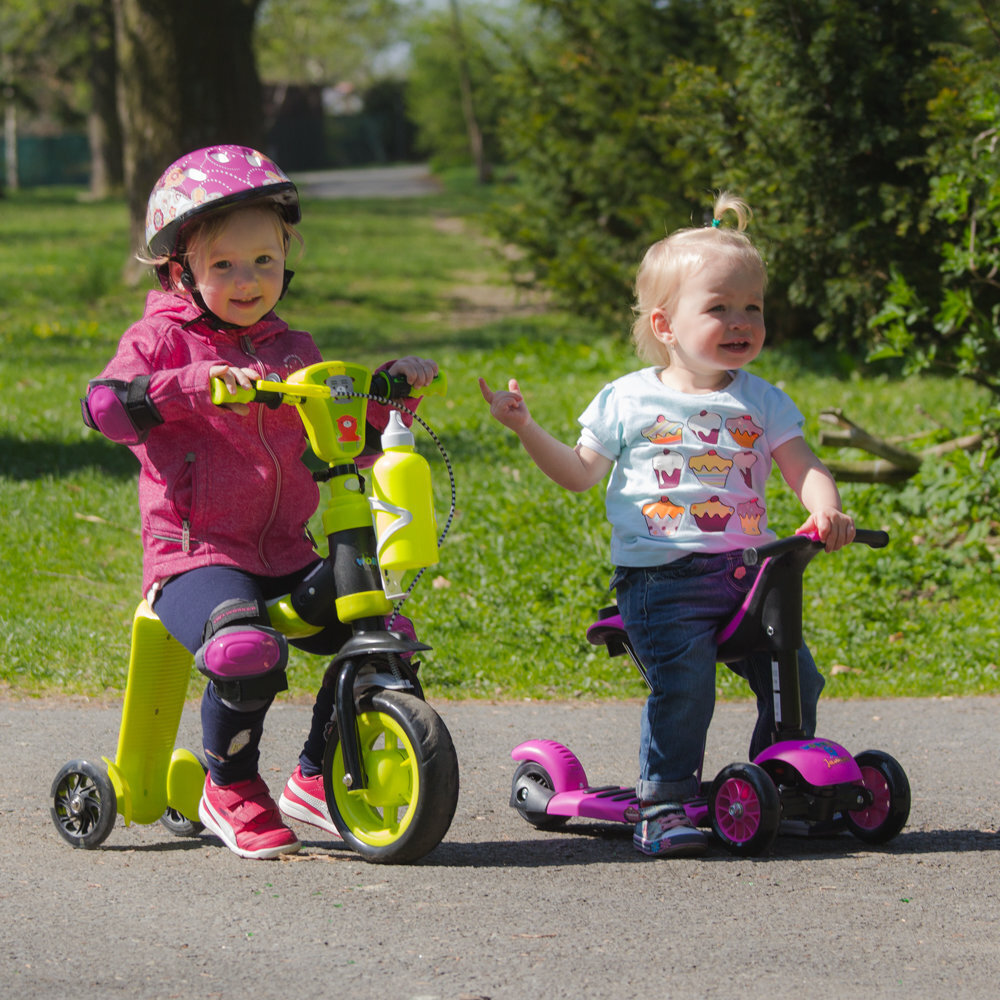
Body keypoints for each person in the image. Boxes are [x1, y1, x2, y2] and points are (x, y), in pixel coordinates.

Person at [81, 145, 438, 860]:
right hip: (196, 558)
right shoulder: (158, 340)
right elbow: (103, 409)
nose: (248, 282)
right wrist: (189, 384)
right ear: (179, 270)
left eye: (264, 263)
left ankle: (315, 774)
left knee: (381, 638)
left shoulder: (291, 348)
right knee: (245, 650)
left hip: (284, 552)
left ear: (286, 261)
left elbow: (345, 443)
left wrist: (386, 394)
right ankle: (231, 784)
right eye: (224, 267)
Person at [480, 192, 854, 858]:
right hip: (663, 583)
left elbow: (803, 464)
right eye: (719, 308)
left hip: (749, 576)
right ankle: (665, 801)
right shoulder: (629, 398)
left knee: (794, 674)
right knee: (687, 688)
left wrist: (823, 507)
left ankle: (775, 781)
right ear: (665, 323)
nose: (741, 322)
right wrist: (524, 427)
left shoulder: (762, 400)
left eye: (753, 308)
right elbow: (577, 473)